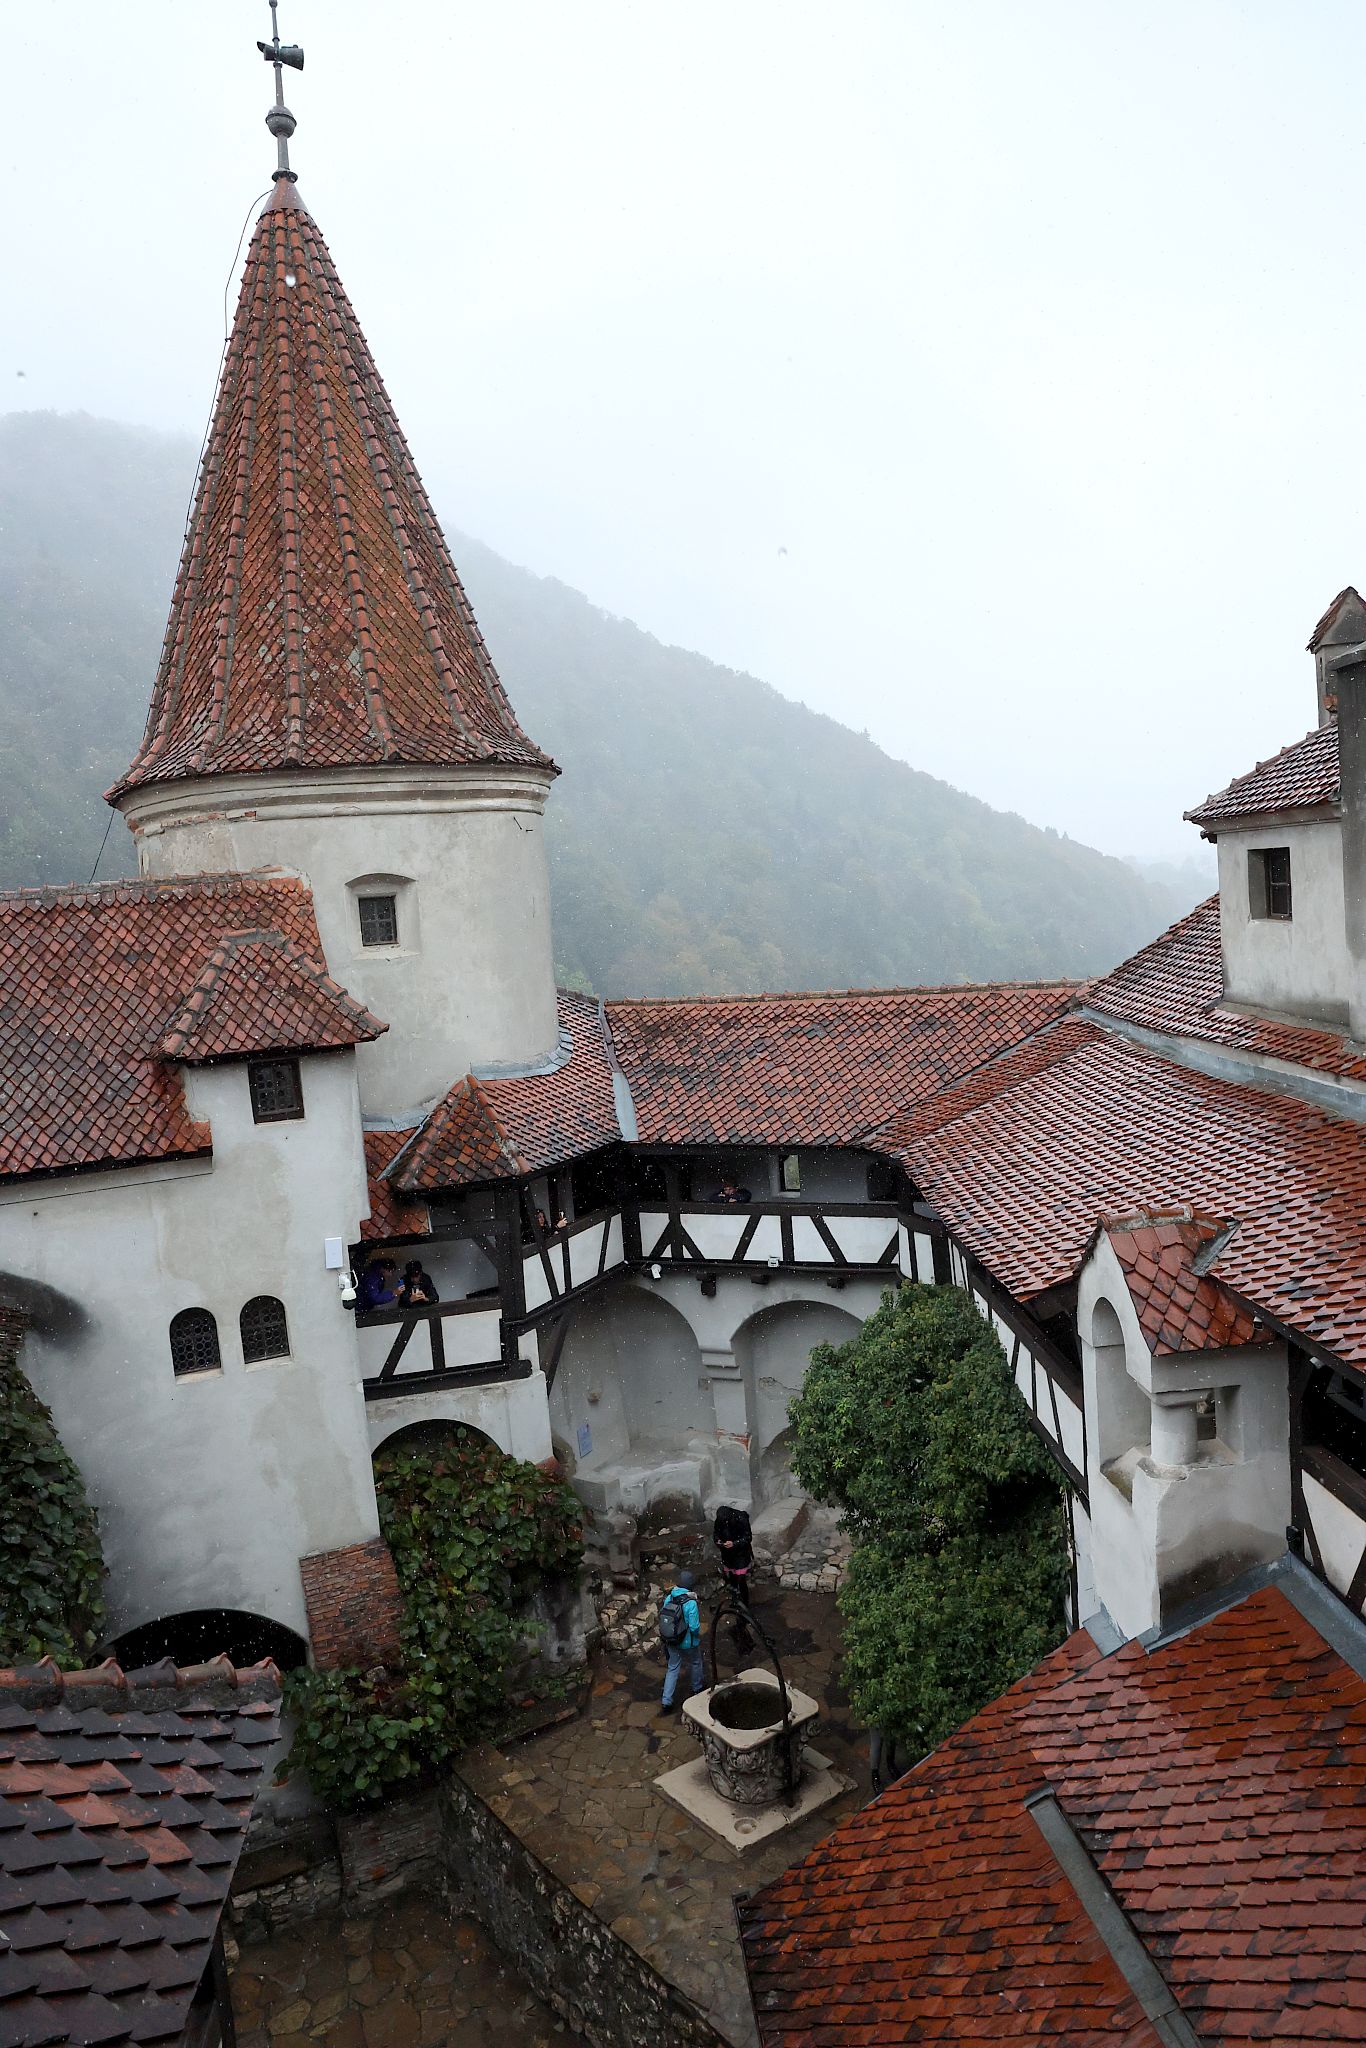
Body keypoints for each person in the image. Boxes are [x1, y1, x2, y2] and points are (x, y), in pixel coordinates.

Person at [658, 1570, 704, 1714]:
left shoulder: (670, 1597)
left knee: (673, 1667)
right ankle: (697, 1688)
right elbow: (694, 1627)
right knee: (696, 1661)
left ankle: (666, 1701)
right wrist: (695, 1637)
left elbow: (663, 1615)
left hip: (671, 1640)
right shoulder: (691, 1602)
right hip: (687, 1642)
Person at [713, 1504, 754, 1611]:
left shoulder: (741, 1519)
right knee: (732, 1579)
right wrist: (719, 1542)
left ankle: (745, 1603)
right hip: (728, 1555)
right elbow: (716, 1534)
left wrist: (735, 1543)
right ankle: (735, 1600)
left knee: (741, 1579)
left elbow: (748, 1537)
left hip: (741, 1554)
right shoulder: (720, 1521)